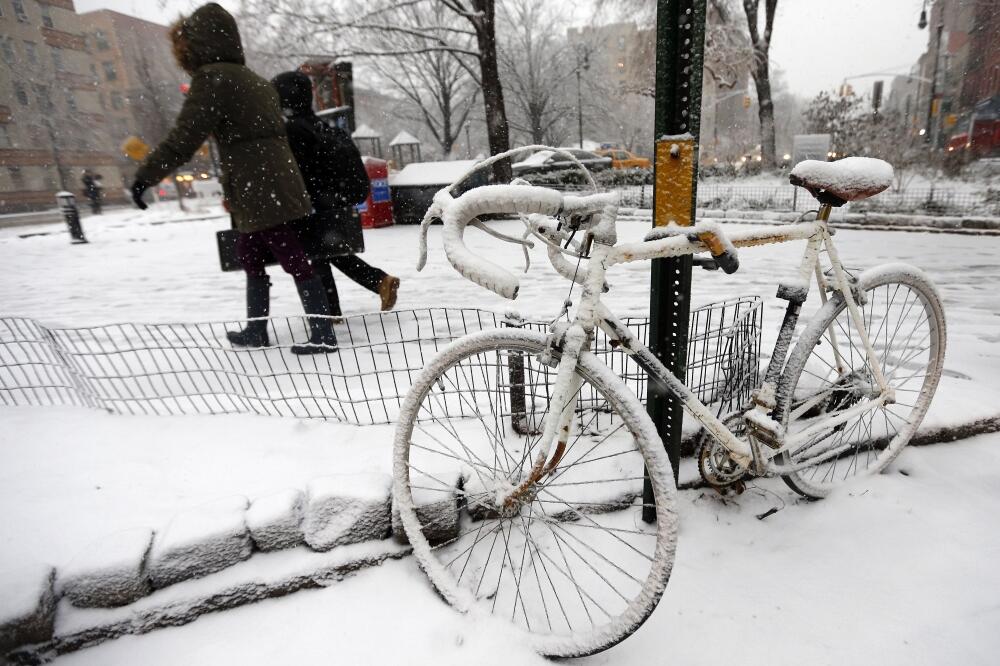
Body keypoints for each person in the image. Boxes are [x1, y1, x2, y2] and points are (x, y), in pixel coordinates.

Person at [128, 3, 336, 354]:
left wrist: (146, 175)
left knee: (290, 255)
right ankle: (256, 331)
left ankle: (322, 333)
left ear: (193, 45)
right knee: (250, 253)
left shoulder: (213, 80)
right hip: (274, 180)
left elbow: (184, 138)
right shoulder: (253, 79)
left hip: (257, 186)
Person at [270, 71, 400, 318]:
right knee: (324, 252)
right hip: (335, 200)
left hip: (315, 202)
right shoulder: (321, 126)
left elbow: (298, 173)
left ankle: (330, 313)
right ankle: (374, 284)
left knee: (317, 255)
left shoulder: (293, 130)